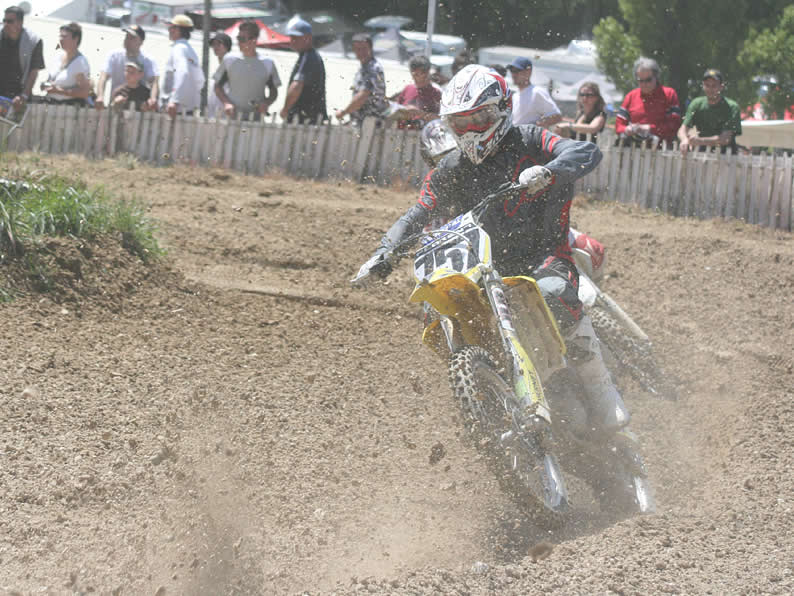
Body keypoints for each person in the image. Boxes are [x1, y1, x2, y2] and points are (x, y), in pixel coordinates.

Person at [362, 65, 628, 436]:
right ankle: (486, 392)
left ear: (502, 110)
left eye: (479, 119)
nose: (471, 131)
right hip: (485, 266)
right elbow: (418, 212)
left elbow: (584, 151)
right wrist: (385, 251)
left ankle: (602, 389)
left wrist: (548, 172)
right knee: (446, 311)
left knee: (553, 293)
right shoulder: (452, 167)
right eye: (460, 123)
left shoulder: (530, 139)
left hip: (543, 254)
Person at [214, 20, 280, 121]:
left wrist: (266, 103)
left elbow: (274, 91)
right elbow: (217, 86)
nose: (238, 42)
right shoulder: (229, 60)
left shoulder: (268, 63)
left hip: (256, 120)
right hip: (232, 118)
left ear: (254, 40)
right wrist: (226, 103)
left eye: (242, 39)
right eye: (238, 38)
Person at [615, 56, 681, 146]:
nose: (644, 84)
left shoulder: (669, 94)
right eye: (640, 80)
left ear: (656, 77)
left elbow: (674, 125)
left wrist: (649, 128)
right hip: (632, 148)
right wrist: (627, 129)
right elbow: (619, 125)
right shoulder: (631, 96)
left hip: (661, 149)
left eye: (648, 80)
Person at [677, 69, 742, 155]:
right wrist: (684, 139)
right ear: (703, 86)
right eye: (707, 85)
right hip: (703, 153)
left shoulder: (732, 107)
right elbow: (682, 130)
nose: (710, 89)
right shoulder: (696, 104)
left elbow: (725, 139)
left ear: (721, 87)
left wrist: (699, 141)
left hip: (727, 155)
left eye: (714, 86)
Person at [94, 24, 158, 111]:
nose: (127, 40)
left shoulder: (148, 60)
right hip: (116, 103)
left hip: (138, 108)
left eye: (132, 38)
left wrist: (153, 98)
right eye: (127, 37)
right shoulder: (114, 56)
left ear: (141, 42)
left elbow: (154, 82)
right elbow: (103, 77)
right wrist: (100, 96)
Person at [279, 17, 326, 124]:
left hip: (306, 120)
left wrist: (285, 109)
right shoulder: (309, 56)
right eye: (292, 37)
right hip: (309, 119)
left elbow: (296, 86)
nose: (293, 41)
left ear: (308, 38)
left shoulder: (309, 57)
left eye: (297, 38)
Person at [334, 33, 388, 125]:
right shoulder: (363, 68)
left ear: (371, 48)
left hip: (370, 123)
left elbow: (363, 95)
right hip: (362, 121)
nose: (361, 52)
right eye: (357, 49)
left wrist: (344, 112)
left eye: (364, 48)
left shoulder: (373, 68)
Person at [0, 5, 44, 114]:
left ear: (20, 23)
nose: (6, 24)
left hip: (16, 98)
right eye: (4, 20)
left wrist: (24, 95)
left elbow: (34, 72)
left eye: (10, 21)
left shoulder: (34, 41)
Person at [162, 14, 203, 118]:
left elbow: (182, 72)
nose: (169, 30)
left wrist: (174, 100)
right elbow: (200, 80)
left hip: (175, 109)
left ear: (177, 30)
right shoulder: (190, 50)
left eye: (171, 27)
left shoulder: (178, 48)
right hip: (187, 109)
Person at [41, 22, 90, 106]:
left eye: (64, 36)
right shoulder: (58, 56)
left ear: (76, 39)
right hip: (51, 104)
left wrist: (59, 91)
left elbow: (84, 92)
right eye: (60, 36)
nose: (61, 39)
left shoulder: (80, 62)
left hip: (67, 108)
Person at [506, 56, 562, 129]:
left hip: (527, 136)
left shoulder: (537, 92)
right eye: (512, 71)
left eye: (517, 70)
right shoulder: (515, 96)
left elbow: (556, 116)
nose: (513, 74)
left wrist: (533, 128)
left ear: (528, 72)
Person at [388, 55, 441, 129]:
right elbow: (395, 110)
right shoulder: (407, 89)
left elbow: (440, 119)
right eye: (415, 75)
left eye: (422, 75)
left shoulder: (436, 93)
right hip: (402, 133)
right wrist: (403, 112)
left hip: (423, 133)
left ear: (427, 73)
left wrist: (420, 113)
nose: (419, 79)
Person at [207, 31, 231, 118]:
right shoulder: (218, 67)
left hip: (226, 113)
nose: (215, 47)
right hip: (213, 113)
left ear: (227, 46)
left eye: (219, 44)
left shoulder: (231, 65)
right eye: (213, 44)